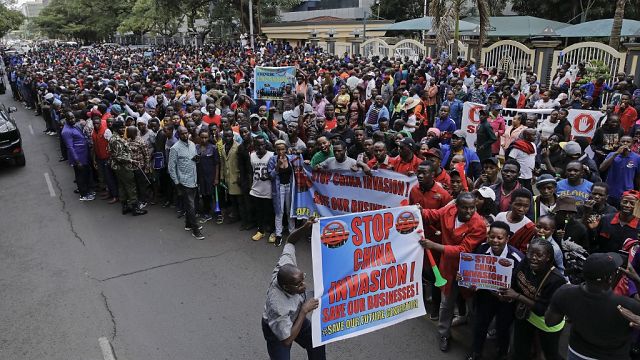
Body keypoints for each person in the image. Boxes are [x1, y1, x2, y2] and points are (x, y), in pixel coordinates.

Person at [419, 192, 487, 352]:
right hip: (448, 268)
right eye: (465, 208)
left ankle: (476, 342)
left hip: (468, 270)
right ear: (456, 207)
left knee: (473, 306)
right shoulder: (449, 210)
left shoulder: (479, 225)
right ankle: (444, 334)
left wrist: (435, 246)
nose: (469, 212)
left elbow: (464, 249)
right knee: (446, 303)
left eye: (472, 208)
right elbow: (433, 214)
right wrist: (419, 211)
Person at [545, 252, 640, 360]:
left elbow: (550, 321)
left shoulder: (566, 293)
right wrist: (637, 279)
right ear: (610, 278)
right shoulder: (628, 306)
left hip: (577, 353)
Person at [261, 218, 326, 360]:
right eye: (299, 284)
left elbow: (290, 241)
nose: (304, 285)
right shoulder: (278, 305)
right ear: (286, 287)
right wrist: (304, 311)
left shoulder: (285, 265)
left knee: (316, 340)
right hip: (279, 330)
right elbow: (286, 340)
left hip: (295, 315)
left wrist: (304, 227)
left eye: (303, 279)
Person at [498, 238, 566, 360]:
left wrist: (517, 296)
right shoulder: (526, 262)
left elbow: (542, 310)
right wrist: (506, 295)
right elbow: (515, 280)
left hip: (546, 322)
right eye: (530, 253)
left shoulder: (556, 279)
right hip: (525, 315)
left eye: (539, 255)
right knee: (520, 350)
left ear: (548, 257)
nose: (533, 258)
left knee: (550, 354)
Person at [466, 221, 524, 360]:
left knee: (503, 328)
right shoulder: (481, 249)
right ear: (488, 236)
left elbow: (520, 283)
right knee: (480, 324)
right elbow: (473, 271)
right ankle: (476, 352)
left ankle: (502, 353)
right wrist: (466, 278)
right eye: (492, 237)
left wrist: (510, 296)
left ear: (507, 239)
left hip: (506, 301)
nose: (495, 241)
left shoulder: (516, 258)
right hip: (485, 296)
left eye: (500, 238)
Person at [168, 126, 203, 239]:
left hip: (194, 179)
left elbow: (192, 158)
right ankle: (195, 229)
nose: (185, 135)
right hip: (183, 181)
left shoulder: (192, 144)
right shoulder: (175, 148)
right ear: (178, 135)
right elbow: (171, 168)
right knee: (191, 205)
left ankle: (188, 224)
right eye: (182, 134)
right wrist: (177, 183)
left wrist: (196, 159)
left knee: (191, 204)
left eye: (186, 133)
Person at [109, 120, 147, 216]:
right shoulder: (117, 140)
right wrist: (131, 161)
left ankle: (125, 207)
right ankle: (135, 208)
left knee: (122, 186)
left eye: (124, 127)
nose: (123, 129)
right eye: (121, 128)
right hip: (124, 167)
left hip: (118, 167)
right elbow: (118, 156)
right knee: (131, 186)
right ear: (116, 129)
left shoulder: (115, 138)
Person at [61, 111, 94, 201]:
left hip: (84, 154)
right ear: (66, 119)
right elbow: (70, 147)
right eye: (70, 118)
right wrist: (77, 160)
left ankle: (86, 190)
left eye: (73, 117)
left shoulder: (74, 126)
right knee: (80, 176)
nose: (72, 119)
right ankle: (83, 194)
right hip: (78, 157)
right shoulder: (66, 131)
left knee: (85, 174)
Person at [600, 135, 640, 207]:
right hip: (610, 192)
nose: (625, 143)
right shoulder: (612, 154)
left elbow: (638, 177)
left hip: (627, 193)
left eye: (628, 142)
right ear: (619, 143)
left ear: (632, 144)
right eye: (623, 141)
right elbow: (602, 168)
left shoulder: (637, 158)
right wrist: (616, 154)